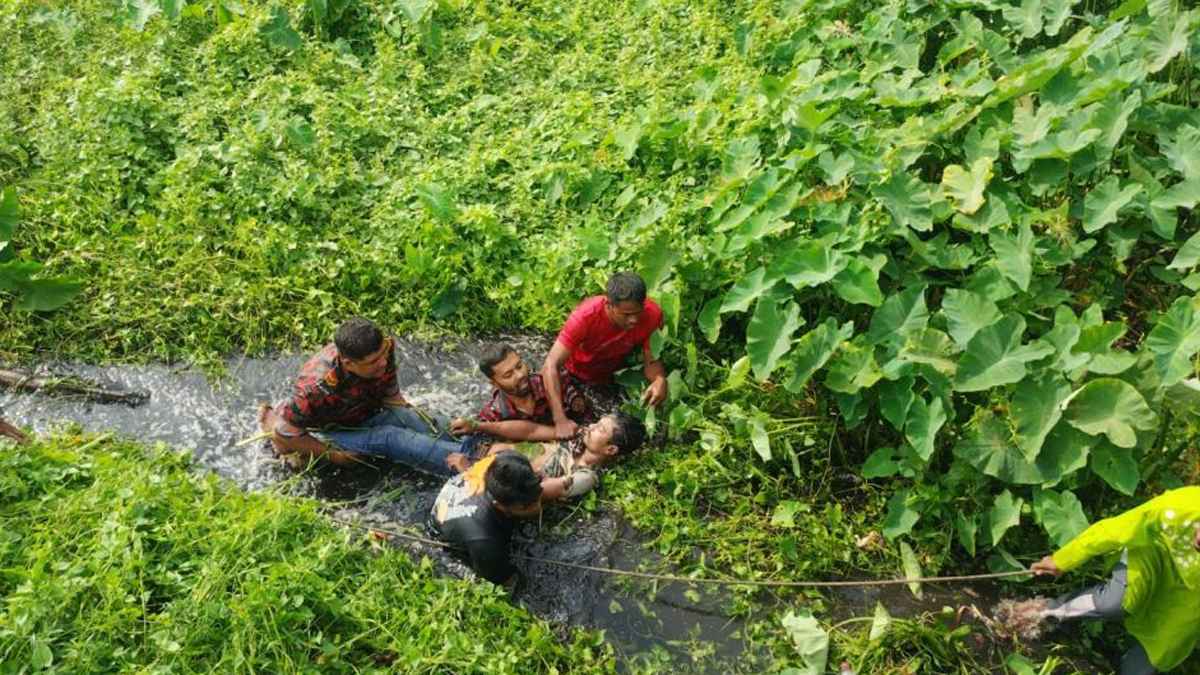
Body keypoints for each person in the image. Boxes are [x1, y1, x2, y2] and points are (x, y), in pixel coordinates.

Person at [259, 317, 478, 475]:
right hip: (330, 430)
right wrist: (334, 456)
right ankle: (474, 466)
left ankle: (482, 444)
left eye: (383, 355)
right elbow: (285, 433)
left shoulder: (383, 346)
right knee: (392, 437)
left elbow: (390, 385)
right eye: (373, 362)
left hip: (364, 410)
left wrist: (399, 404)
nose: (383, 363)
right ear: (348, 363)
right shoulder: (315, 387)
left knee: (416, 420)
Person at [1030, 486, 1200, 675]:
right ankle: (1038, 613)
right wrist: (1062, 560)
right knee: (1115, 602)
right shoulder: (1180, 506)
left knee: (1162, 649)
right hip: (1153, 552)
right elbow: (1114, 530)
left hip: (1192, 594)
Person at [541, 272, 668, 440]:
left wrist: (659, 379)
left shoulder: (652, 315)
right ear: (609, 305)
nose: (634, 320)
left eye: (638, 312)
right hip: (572, 373)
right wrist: (560, 419)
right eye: (626, 314)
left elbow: (651, 359)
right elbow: (550, 364)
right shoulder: (586, 316)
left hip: (609, 375)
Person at [428, 451, 542, 587]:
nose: (537, 506)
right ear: (499, 504)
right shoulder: (484, 539)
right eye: (526, 506)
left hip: (462, 506)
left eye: (537, 496)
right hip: (448, 543)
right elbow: (502, 580)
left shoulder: (509, 463)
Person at [487, 412, 645, 502]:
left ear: (610, 449)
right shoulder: (576, 436)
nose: (591, 427)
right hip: (496, 457)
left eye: (600, 429)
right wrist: (481, 426)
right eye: (596, 422)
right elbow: (532, 431)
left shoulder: (585, 477)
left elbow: (537, 492)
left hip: (500, 484)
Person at [449, 343, 586, 442]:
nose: (520, 375)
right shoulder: (494, 414)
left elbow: (586, 416)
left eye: (519, 366)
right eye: (508, 375)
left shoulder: (554, 385)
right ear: (495, 384)